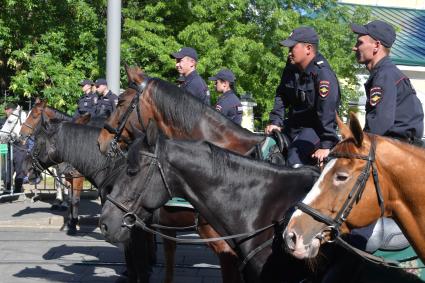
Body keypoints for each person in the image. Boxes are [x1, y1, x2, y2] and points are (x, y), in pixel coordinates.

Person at [264, 27, 340, 167]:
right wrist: (275, 121)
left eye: (292, 47)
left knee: (294, 158)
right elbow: (282, 95)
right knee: (264, 150)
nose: (289, 52)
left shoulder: (322, 74)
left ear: (308, 48)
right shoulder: (291, 69)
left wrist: (326, 144)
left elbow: (327, 112)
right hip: (293, 126)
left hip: (316, 130)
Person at [351, 20, 424, 143]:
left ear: (376, 46)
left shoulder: (385, 75)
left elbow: (379, 124)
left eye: (360, 43)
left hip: (397, 147)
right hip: (399, 144)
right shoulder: (386, 73)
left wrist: (360, 142)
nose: (354, 47)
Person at [2, 103, 26, 193]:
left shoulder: (21, 116)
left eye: (7, 109)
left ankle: (18, 188)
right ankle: (7, 188)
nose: (6, 111)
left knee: (19, 167)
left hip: (19, 145)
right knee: (8, 168)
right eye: (5, 109)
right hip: (8, 146)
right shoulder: (4, 120)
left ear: (12, 110)